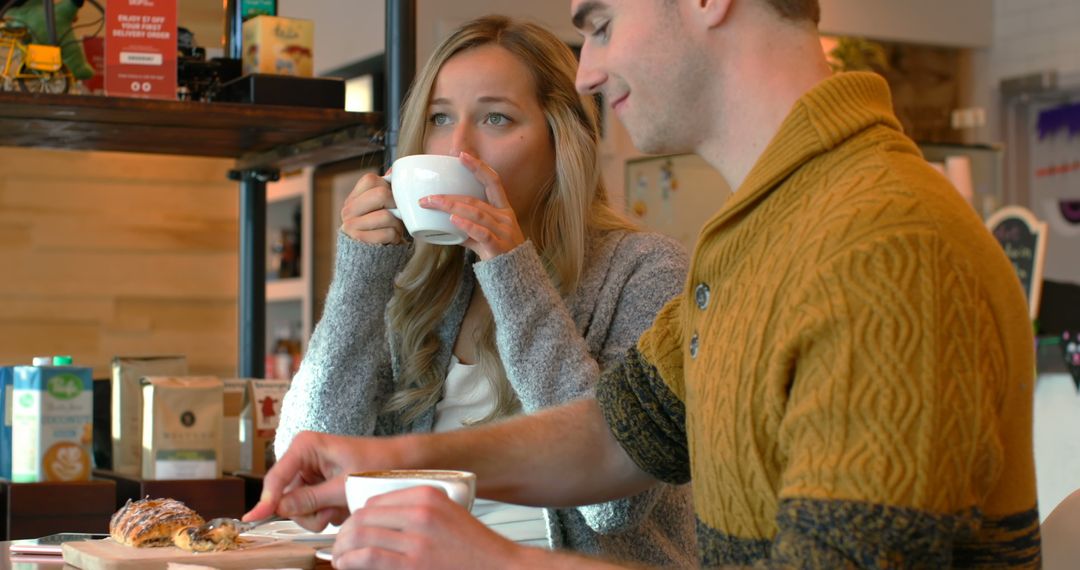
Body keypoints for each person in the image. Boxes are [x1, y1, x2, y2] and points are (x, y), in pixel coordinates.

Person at [250, 1, 1042, 568]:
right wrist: (389, 457)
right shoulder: (756, 233)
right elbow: (618, 434)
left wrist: (493, 561)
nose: (588, 71)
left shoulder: (879, 245)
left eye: (599, 23)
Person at [272, 14, 695, 568]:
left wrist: (510, 268)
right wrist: (360, 276)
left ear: (559, 137)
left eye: (495, 117)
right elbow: (304, 468)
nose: (458, 147)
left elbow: (614, 505)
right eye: (440, 118)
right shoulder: (415, 285)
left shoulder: (645, 270)